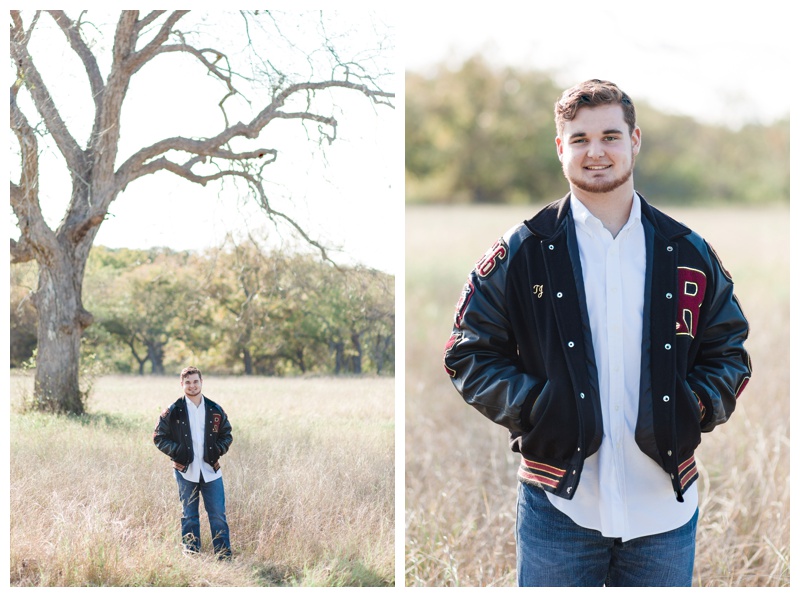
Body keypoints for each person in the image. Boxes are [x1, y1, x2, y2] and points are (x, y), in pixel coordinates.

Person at [443, 79, 751, 587]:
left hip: (665, 512)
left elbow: (730, 351)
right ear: (561, 147)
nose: (596, 152)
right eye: (580, 139)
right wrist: (539, 409)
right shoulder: (522, 251)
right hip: (558, 508)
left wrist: (692, 406)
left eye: (610, 136)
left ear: (634, 140)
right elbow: (467, 352)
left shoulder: (689, 252)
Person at [153, 366, 233, 559]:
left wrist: (216, 450)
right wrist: (178, 452)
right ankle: (192, 554)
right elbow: (158, 437)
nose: (192, 386)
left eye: (195, 381)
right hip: (185, 471)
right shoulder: (173, 411)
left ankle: (223, 555)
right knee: (189, 515)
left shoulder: (215, 409)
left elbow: (227, 434)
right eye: (187, 382)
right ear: (182, 385)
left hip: (210, 470)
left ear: (201, 382)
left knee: (218, 515)